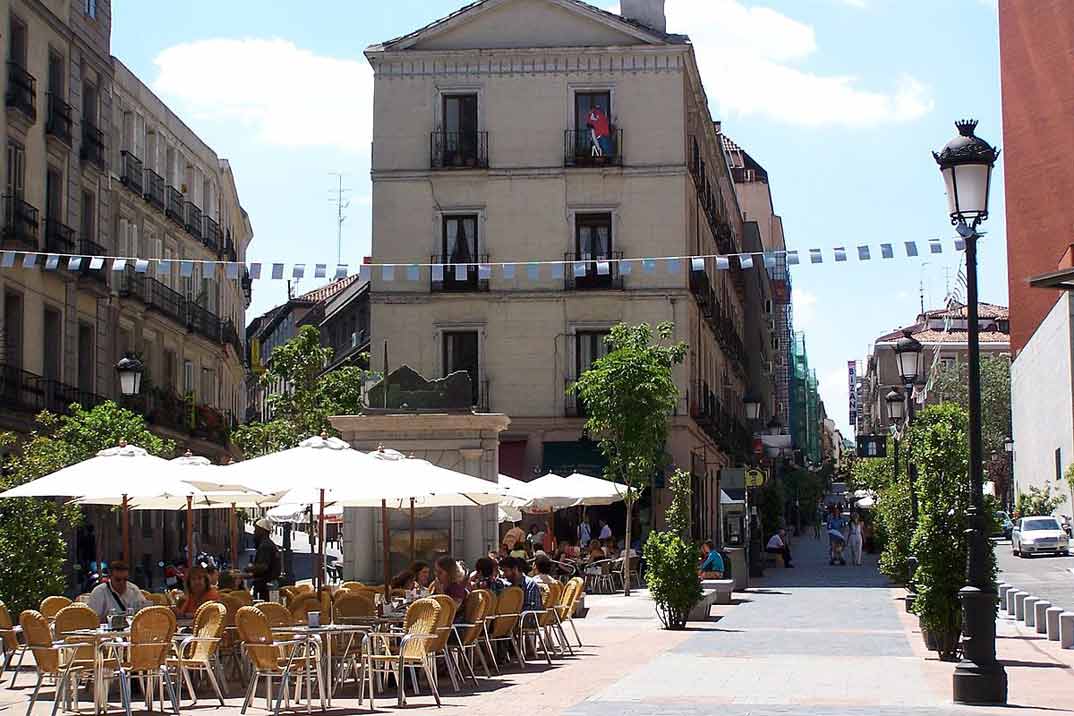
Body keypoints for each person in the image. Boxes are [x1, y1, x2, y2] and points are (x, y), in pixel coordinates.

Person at [86, 560, 151, 622]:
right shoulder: (99, 591)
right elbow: (92, 619)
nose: (122, 583)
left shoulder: (133, 589)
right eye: (118, 580)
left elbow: (143, 613)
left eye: (125, 579)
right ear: (110, 577)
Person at [245, 518, 281, 600]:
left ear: (262, 531)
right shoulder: (269, 544)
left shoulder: (265, 546)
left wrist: (249, 568)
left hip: (266, 586)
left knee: (266, 609)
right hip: (269, 584)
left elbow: (263, 567)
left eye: (256, 530)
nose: (254, 533)